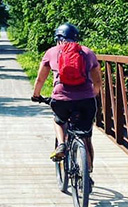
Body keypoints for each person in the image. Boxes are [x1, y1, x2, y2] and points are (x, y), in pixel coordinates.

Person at [31, 22, 103, 169]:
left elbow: (40, 79)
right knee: (86, 137)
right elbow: (97, 79)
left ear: (58, 38)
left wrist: (36, 95)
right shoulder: (87, 52)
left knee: (59, 120)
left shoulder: (51, 52)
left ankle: (62, 145)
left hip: (61, 99)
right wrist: (94, 92)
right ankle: (87, 173)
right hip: (86, 100)